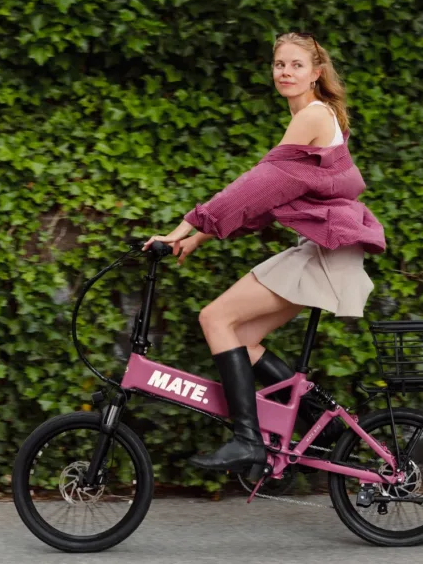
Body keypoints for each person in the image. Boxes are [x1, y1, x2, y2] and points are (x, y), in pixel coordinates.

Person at [143, 32, 386, 476]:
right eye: (279, 65)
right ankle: (322, 422)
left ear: (316, 72)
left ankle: (247, 441)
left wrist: (188, 224)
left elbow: (257, 184)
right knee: (241, 337)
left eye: (296, 65)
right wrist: (195, 238)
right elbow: (271, 199)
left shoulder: (312, 116)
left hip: (326, 253)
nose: (285, 73)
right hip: (326, 249)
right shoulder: (317, 117)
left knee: (215, 319)